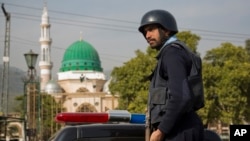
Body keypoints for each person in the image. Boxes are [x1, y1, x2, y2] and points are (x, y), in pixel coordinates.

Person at [138, 9, 204, 141]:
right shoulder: (172, 52)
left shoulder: (172, 54)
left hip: (179, 130)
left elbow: (181, 97)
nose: (147, 35)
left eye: (151, 29)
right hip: (180, 128)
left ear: (166, 30)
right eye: (145, 32)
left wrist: (161, 131)